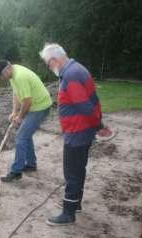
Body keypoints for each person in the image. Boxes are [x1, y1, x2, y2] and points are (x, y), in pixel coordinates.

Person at [39, 43, 102, 226]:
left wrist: (99, 125)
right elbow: (91, 100)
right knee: (78, 168)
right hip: (81, 130)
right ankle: (76, 204)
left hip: (77, 132)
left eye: (47, 64)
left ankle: (68, 213)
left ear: (54, 60)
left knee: (72, 172)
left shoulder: (72, 74)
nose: (49, 68)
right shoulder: (74, 70)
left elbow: (84, 105)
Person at [0, 60, 52, 182]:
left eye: (2, 75)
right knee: (26, 135)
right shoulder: (12, 74)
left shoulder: (20, 76)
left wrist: (20, 117)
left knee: (21, 136)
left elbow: (27, 101)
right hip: (34, 106)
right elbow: (16, 94)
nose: (2, 78)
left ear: (7, 69)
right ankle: (31, 164)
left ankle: (16, 172)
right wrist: (14, 112)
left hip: (40, 107)